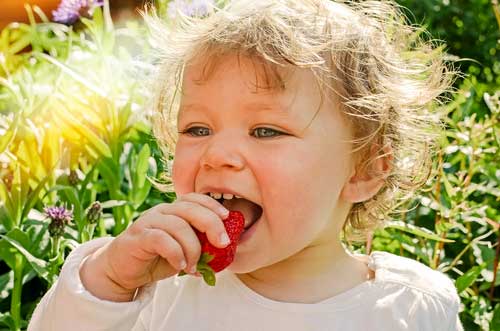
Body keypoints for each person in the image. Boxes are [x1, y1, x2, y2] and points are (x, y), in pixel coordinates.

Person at [28, 0, 464, 330]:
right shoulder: (155, 291)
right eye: (197, 129)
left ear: (364, 169)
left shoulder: (415, 308)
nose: (216, 155)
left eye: (266, 131)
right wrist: (108, 280)